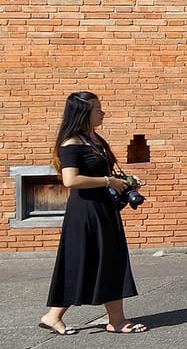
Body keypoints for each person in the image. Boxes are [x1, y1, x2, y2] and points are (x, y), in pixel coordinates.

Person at [39, 91, 146, 335]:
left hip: (104, 210)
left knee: (109, 260)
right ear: (83, 112)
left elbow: (104, 173)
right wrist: (108, 181)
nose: (102, 112)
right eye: (97, 108)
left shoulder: (96, 140)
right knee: (83, 261)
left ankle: (109, 319)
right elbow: (70, 180)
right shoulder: (71, 144)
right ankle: (106, 320)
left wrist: (124, 182)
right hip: (85, 213)